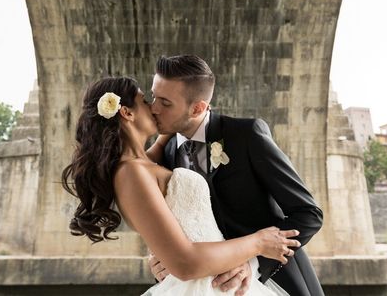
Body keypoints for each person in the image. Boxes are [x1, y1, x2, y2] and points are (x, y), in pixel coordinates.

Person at [62, 76, 297, 296]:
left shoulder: (142, 163)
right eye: (145, 101)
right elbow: (184, 263)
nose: (154, 107)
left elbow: (151, 155)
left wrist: (180, 119)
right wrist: (258, 243)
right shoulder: (130, 173)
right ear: (126, 113)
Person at [147, 55, 325, 296]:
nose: (153, 108)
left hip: (272, 282)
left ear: (198, 107)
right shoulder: (166, 152)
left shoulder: (246, 135)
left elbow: (308, 214)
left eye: (166, 103)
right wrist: (161, 257)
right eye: (154, 96)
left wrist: (254, 261)